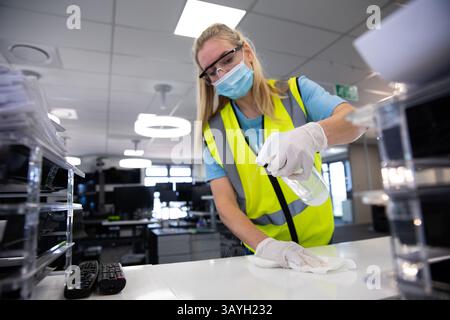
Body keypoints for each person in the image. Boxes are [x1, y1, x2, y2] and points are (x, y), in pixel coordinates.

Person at [193, 23, 364, 268]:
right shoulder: (213, 132)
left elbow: (356, 122)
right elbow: (226, 206)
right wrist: (268, 247)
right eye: (211, 71)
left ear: (247, 53)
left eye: (227, 60)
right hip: (267, 254)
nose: (222, 74)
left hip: (323, 243)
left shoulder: (296, 92)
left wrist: (312, 134)